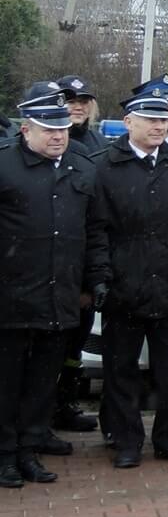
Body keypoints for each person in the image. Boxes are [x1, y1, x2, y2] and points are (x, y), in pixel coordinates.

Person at [89, 79, 168, 467]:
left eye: (163, 120)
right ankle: (126, 440)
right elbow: (96, 229)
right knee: (121, 370)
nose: (159, 126)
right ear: (128, 122)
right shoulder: (104, 167)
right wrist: (101, 277)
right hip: (124, 284)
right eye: (150, 120)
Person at [0, 83, 93, 489]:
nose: (58, 136)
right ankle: (5, 455)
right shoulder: (5, 166)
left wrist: (91, 283)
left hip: (59, 296)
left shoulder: (81, 168)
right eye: (49, 129)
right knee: (7, 384)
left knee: (42, 383)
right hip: (11, 298)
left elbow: (93, 231)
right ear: (26, 129)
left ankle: (29, 450)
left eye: (63, 129)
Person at [49, 74, 104, 435]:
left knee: (74, 346)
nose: (78, 106)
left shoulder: (98, 145)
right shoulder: (43, 147)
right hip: (45, 273)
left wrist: (90, 280)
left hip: (80, 270)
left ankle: (64, 404)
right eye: (70, 100)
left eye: (83, 100)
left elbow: (97, 221)